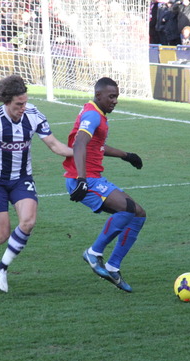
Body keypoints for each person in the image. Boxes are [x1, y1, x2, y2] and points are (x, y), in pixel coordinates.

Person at [0, 75, 73, 293]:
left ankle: (1, 269)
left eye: (25, 102)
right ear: (6, 101)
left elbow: (55, 145)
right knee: (1, 236)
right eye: (19, 104)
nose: (23, 108)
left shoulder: (34, 115)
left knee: (28, 222)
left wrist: (81, 153)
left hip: (21, 178)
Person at [63, 77, 146, 293]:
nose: (115, 101)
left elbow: (97, 145)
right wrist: (82, 179)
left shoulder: (97, 115)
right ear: (98, 95)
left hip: (93, 178)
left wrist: (126, 156)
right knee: (127, 208)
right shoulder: (92, 114)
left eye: (116, 96)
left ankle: (113, 266)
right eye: (111, 96)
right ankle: (94, 252)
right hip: (82, 179)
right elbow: (80, 142)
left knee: (138, 214)